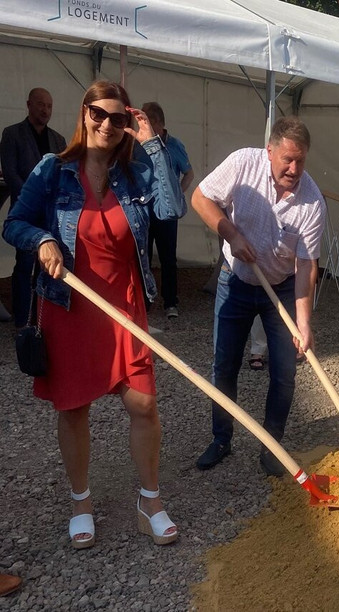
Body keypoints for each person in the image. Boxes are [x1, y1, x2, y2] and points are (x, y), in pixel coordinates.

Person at [2, 80, 184, 549]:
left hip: (124, 304)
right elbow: (15, 223)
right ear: (84, 115)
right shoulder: (53, 170)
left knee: (144, 404)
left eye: (118, 118)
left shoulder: (137, 174)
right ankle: (81, 502)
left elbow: (171, 208)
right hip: (71, 306)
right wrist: (42, 240)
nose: (107, 124)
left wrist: (153, 145)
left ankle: (149, 501)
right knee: (74, 407)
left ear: (128, 123)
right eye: (98, 114)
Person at [192, 117, 325, 476]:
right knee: (225, 364)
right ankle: (222, 438)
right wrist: (231, 234)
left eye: (301, 161)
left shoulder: (312, 203)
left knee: (284, 373)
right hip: (234, 280)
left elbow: (306, 267)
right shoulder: (242, 164)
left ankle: (272, 446)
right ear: (270, 151)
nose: (294, 169)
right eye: (287, 160)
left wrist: (303, 322)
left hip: (279, 288)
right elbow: (200, 197)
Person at [0, 88, 67, 327]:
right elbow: (10, 172)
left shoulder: (59, 140)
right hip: (25, 212)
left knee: (47, 269)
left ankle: (44, 319)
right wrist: (32, 197)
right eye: (40, 104)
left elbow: (63, 177)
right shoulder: (12, 134)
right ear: (29, 104)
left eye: (49, 106)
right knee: (24, 267)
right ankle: (21, 321)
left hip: (51, 215)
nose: (45, 110)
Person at [135, 102, 194, 319]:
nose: (144, 129)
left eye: (148, 124)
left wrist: (177, 192)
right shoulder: (138, 145)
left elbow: (189, 172)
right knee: (143, 256)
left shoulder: (175, 145)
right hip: (144, 210)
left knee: (168, 258)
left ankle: (171, 302)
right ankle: (145, 301)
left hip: (167, 211)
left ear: (159, 123)